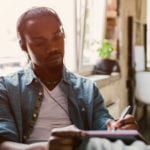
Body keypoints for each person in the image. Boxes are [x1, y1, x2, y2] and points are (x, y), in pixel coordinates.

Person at [0, 6, 138, 150]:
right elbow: (3, 143)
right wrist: (46, 148)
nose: (52, 47)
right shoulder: (6, 88)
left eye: (56, 37)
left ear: (64, 34)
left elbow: (102, 121)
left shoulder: (87, 88)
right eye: (40, 42)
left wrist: (115, 127)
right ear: (23, 45)